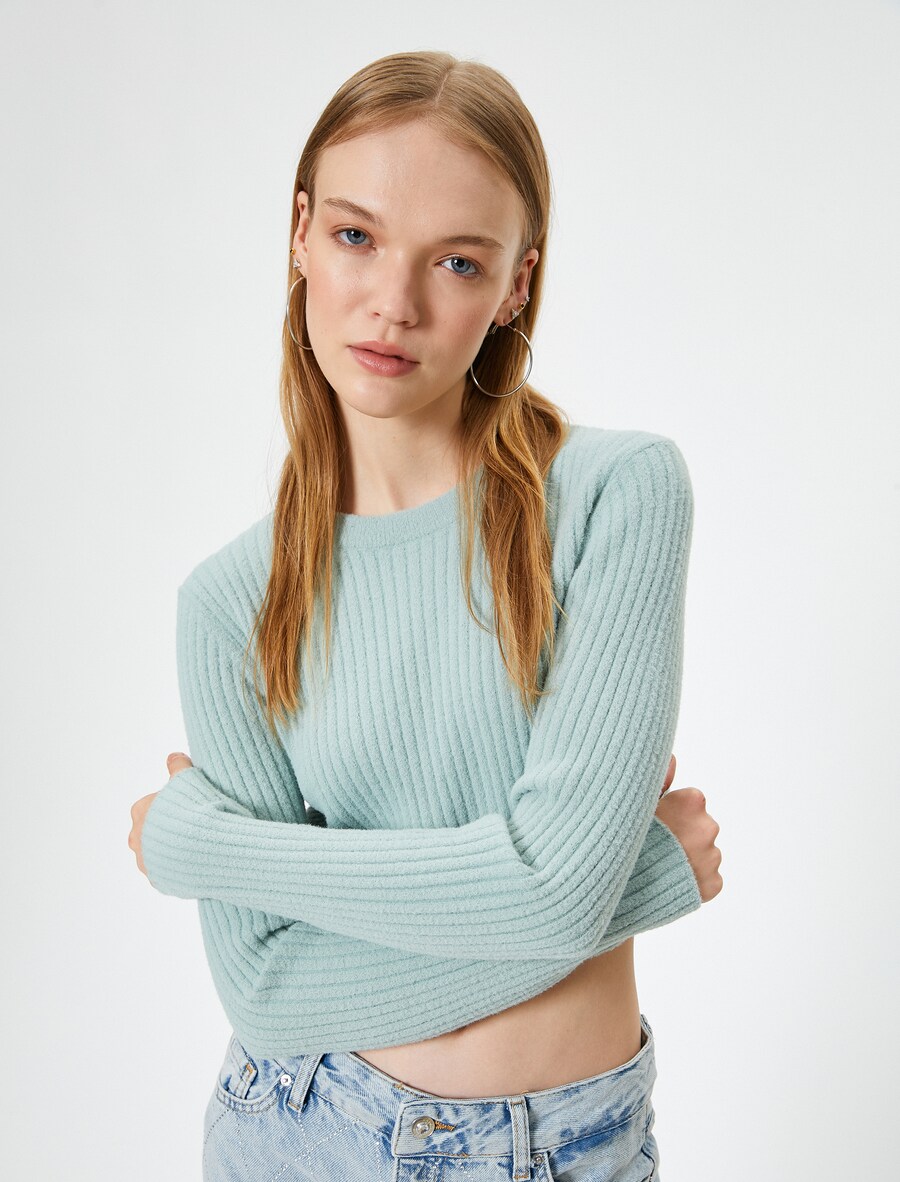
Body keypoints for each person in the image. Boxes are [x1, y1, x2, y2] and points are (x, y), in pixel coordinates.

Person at [128, 49, 722, 1181]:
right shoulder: (231, 603)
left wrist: (217, 849)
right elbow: (267, 988)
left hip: (565, 1146)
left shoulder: (617, 495)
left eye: (456, 261)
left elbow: (552, 895)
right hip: (300, 1129)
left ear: (516, 286)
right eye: (356, 235)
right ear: (300, 233)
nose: (393, 304)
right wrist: (638, 879)